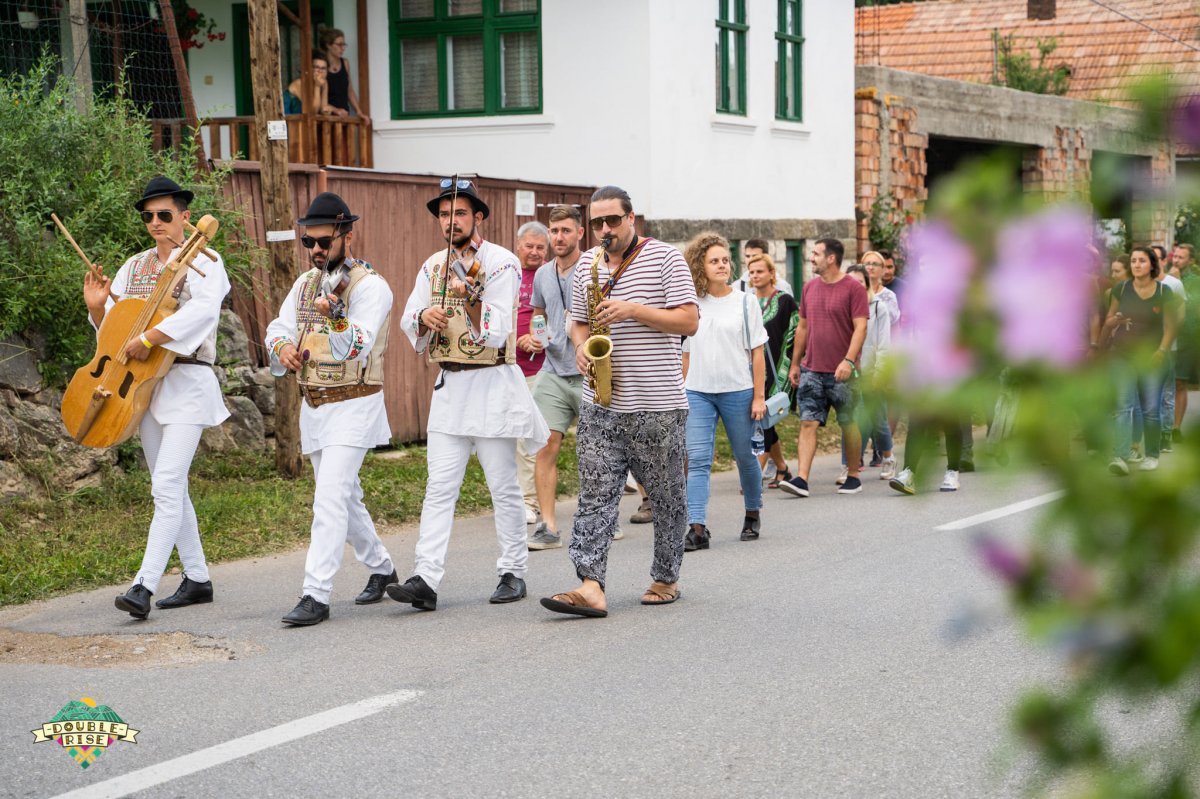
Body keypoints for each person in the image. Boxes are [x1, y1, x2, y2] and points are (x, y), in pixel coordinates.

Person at [541, 185, 698, 618]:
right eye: (597, 223)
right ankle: (591, 585)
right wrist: (579, 347)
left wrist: (632, 310)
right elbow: (577, 323)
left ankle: (666, 576)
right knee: (595, 495)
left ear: (632, 219)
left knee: (667, 497)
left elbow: (689, 320)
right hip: (601, 403)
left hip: (659, 404)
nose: (605, 229)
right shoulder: (588, 263)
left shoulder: (666, 257)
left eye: (613, 220)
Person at [394, 178, 549, 611]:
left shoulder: (501, 263)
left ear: (478, 216)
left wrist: (472, 297)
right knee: (439, 486)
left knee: (502, 485)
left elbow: (498, 330)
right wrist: (425, 315)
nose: (450, 222)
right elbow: (409, 319)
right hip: (450, 385)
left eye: (459, 213)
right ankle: (425, 578)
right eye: (444, 214)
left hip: (492, 384)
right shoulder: (432, 266)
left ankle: (513, 570)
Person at [86, 176, 230, 619]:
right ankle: (198, 578)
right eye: (148, 215)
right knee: (169, 486)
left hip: (188, 381)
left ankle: (143, 585)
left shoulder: (207, 260)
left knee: (166, 483)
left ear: (185, 217)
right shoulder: (134, 266)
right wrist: (97, 308)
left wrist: (151, 337)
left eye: (165, 215)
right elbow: (117, 325)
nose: (156, 223)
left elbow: (203, 312)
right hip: (143, 385)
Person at [265, 192, 398, 626]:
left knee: (328, 500)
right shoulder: (304, 284)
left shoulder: (371, 287)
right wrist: (283, 346)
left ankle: (315, 594)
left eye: (324, 241)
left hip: (355, 402)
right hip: (315, 403)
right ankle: (382, 567)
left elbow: (356, 344)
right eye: (310, 243)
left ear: (347, 236)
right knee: (345, 496)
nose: (317, 250)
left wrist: (336, 318)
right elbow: (278, 327)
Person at [527, 206, 623, 550]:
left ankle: (604, 518)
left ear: (580, 233)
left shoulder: (597, 267)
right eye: (554, 231)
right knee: (545, 445)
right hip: (553, 371)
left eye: (566, 230)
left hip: (590, 370)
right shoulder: (541, 274)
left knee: (599, 450)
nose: (558, 237)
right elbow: (538, 314)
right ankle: (547, 526)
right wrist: (537, 335)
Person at [681, 232, 767, 550]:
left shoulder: (746, 302)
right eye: (713, 260)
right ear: (700, 266)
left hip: (738, 390)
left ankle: (752, 513)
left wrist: (759, 396)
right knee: (699, 459)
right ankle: (698, 527)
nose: (721, 265)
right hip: (698, 392)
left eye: (725, 260)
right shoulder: (691, 304)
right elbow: (686, 353)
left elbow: (757, 352)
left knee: (745, 457)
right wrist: (681, 392)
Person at [781, 238, 868, 497]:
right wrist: (796, 363)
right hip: (812, 370)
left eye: (816, 253)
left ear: (831, 258)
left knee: (849, 423)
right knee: (808, 422)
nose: (811, 257)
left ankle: (853, 475)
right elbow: (803, 327)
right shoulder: (809, 288)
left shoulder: (854, 289)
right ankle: (802, 479)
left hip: (843, 373)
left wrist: (849, 361)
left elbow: (861, 327)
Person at [1102, 246, 1180, 475]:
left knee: (1150, 409)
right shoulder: (1121, 288)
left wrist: (1162, 351)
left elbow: (1171, 326)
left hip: (1152, 357)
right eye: (1134, 261)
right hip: (1123, 355)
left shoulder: (1164, 292)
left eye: (1142, 261)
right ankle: (1120, 456)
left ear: (1152, 265)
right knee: (1123, 406)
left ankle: (1152, 454)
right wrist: (1114, 321)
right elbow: (1108, 321)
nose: (1136, 264)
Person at [746, 252, 798, 488]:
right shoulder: (745, 302)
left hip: (779, 369)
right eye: (752, 272)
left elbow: (794, 335)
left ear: (771, 274)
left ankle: (756, 472)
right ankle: (783, 468)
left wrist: (791, 367)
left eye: (760, 271)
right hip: (750, 370)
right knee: (764, 419)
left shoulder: (785, 301)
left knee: (763, 416)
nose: (755, 276)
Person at [841, 259, 897, 481]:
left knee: (877, 418)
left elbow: (884, 343)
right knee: (850, 418)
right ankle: (848, 465)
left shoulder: (878, 307)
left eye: (859, 283)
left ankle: (888, 457)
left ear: (866, 285)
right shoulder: (842, 308)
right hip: (847, 371)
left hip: (870, 371)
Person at [512, 221, 549, 525]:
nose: (535, 252)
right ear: (518, 245)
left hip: (539, 369)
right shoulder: (507, 274)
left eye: (541, 247)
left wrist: (541, 338)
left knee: (529, 439)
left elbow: (562, 318)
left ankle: (529, 501)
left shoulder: (549, 277)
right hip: (505, 370)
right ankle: (516, 498)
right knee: (509, 437)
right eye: (530, 246)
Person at [1173, 244, 1199, 437]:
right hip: (1163, 338)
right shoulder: (1162, 278)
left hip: (1185, 340)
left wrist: (1178, 283)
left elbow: (1192, 311)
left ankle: (1176, 428)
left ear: (1191, 261)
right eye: (1175, 256)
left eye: (1181, 257)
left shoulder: (1195, 282)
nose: (1176, 260)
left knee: (1179, 383)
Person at [319, 28, 370, 125]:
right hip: (327, 121)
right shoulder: (321, 66)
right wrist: (336, 110)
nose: (343, 48)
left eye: (344, 44)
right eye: (339, 44)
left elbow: (349, 91)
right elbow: (318, 98)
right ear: (328, 45)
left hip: (344, 119)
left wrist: (359, 112)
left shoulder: (345, 63)